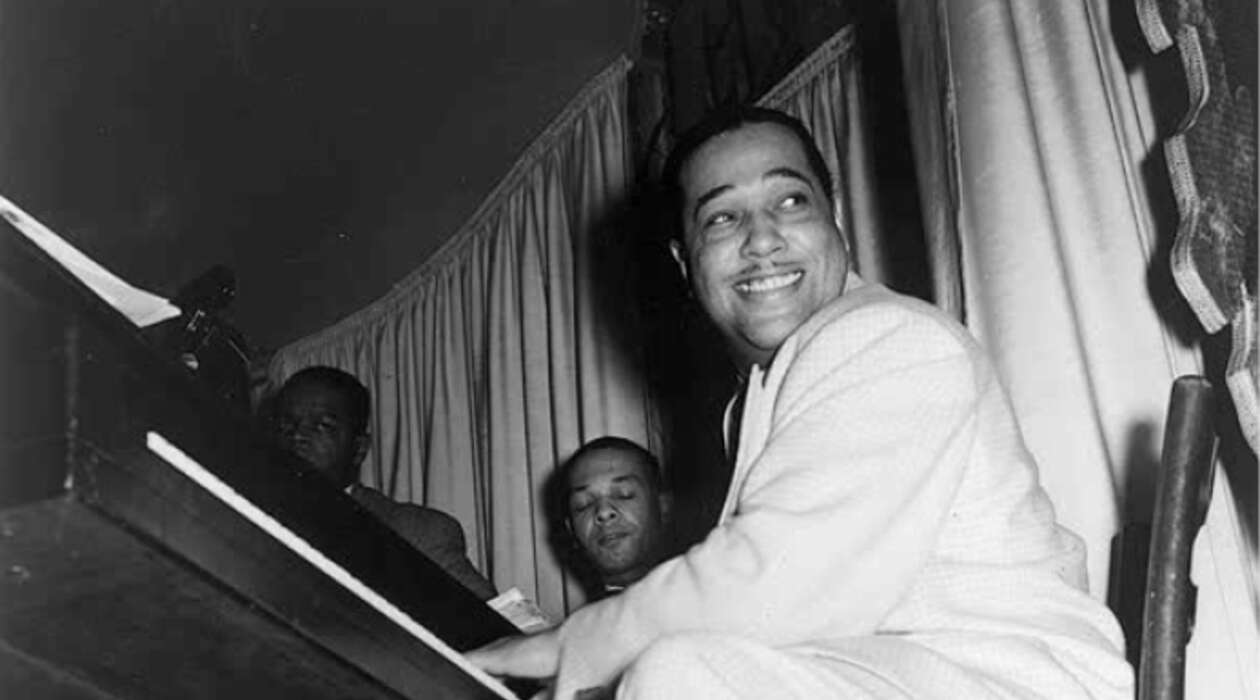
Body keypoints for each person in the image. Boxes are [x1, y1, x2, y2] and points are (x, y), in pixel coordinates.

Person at [467, 105, 1133, 698]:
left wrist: (567, 647)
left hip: (1010, 683)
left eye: (790, 201)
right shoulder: (761, 394)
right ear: (684, 262)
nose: (762, 239)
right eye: (723, 217)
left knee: (680, 676)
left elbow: (773, 587)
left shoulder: (889, 338)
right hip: (892, 675)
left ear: (835, 223)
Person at [271, 366, 497, 601]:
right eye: (286, 425)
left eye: (322, 426)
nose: (297, 436)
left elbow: (492, 621)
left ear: (359, 449)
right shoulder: (258, 521)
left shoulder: (415, 533)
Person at [559, 437, 671, 599]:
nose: (603, 512)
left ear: (664, 506)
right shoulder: (588, 617)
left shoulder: (705, 595)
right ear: (571, 530)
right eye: (584, 504)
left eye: (624, 494)